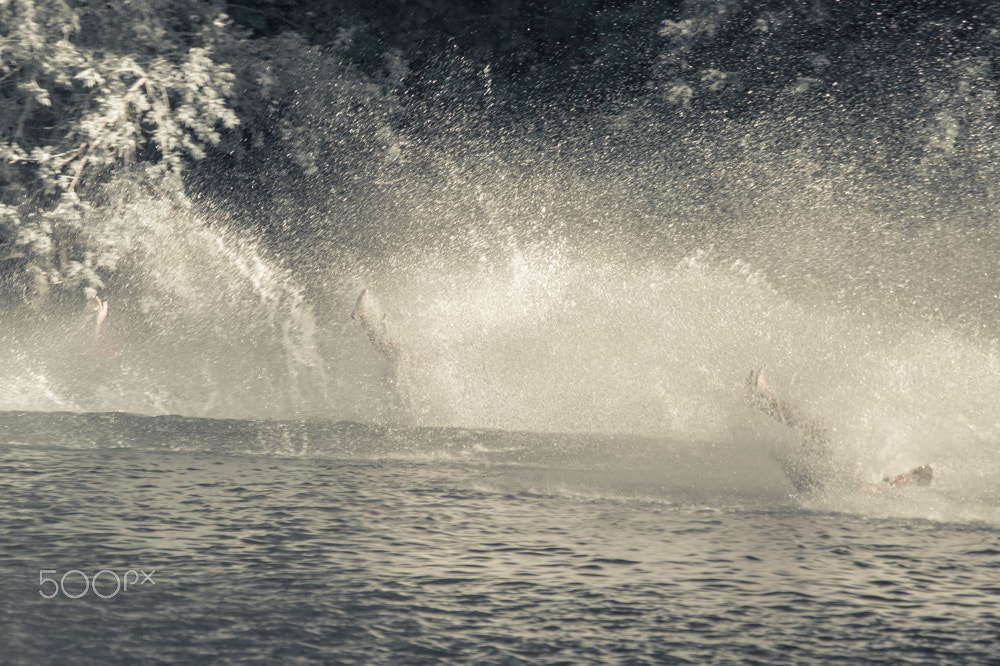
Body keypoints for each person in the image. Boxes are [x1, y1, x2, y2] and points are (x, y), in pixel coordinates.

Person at [745, 363, 933, 493]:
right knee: (814, 425)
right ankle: (760, 402)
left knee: (817, 424)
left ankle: (764, 396)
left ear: (912, 481)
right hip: (816, 480)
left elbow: (865, 490)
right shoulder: (886, 486)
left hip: (818, 483)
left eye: (910, 475)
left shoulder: (884, 490)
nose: (903, 476)